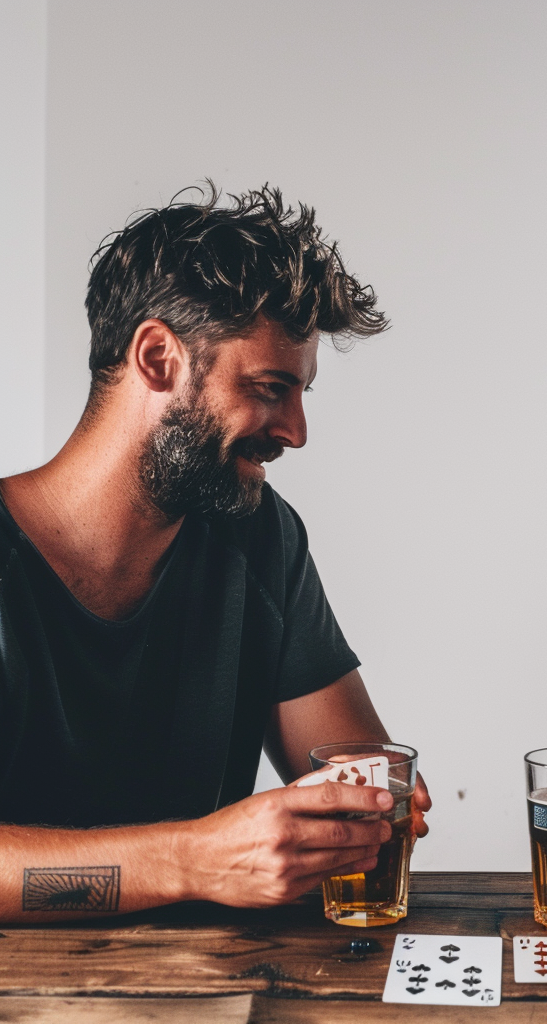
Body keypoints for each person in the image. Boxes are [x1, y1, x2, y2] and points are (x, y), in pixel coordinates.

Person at [0, 185, 430, 921]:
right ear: (159, 357)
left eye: (301, 395)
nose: (296, 431)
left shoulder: (261, 536)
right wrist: (191, 859)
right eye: (270, 388)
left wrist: (369, 804)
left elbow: (356, 784)